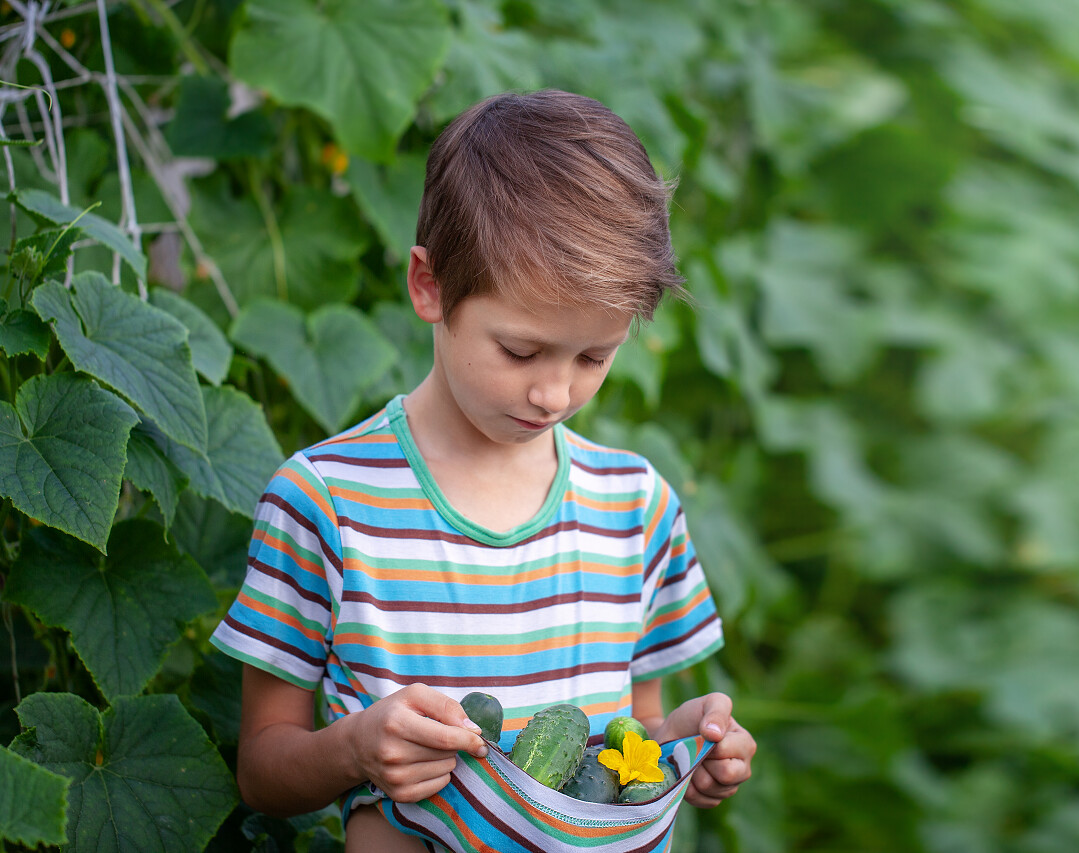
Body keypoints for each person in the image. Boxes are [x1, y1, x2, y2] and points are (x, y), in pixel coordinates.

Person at [210, 89, 756, 852]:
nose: (554, 392)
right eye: (521, 351)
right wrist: (354, 746)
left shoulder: (637, 509)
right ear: (429, 286)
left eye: (594, 356)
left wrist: (685, 743)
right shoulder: (327, 502)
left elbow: (636, 733)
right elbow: (262, 770)